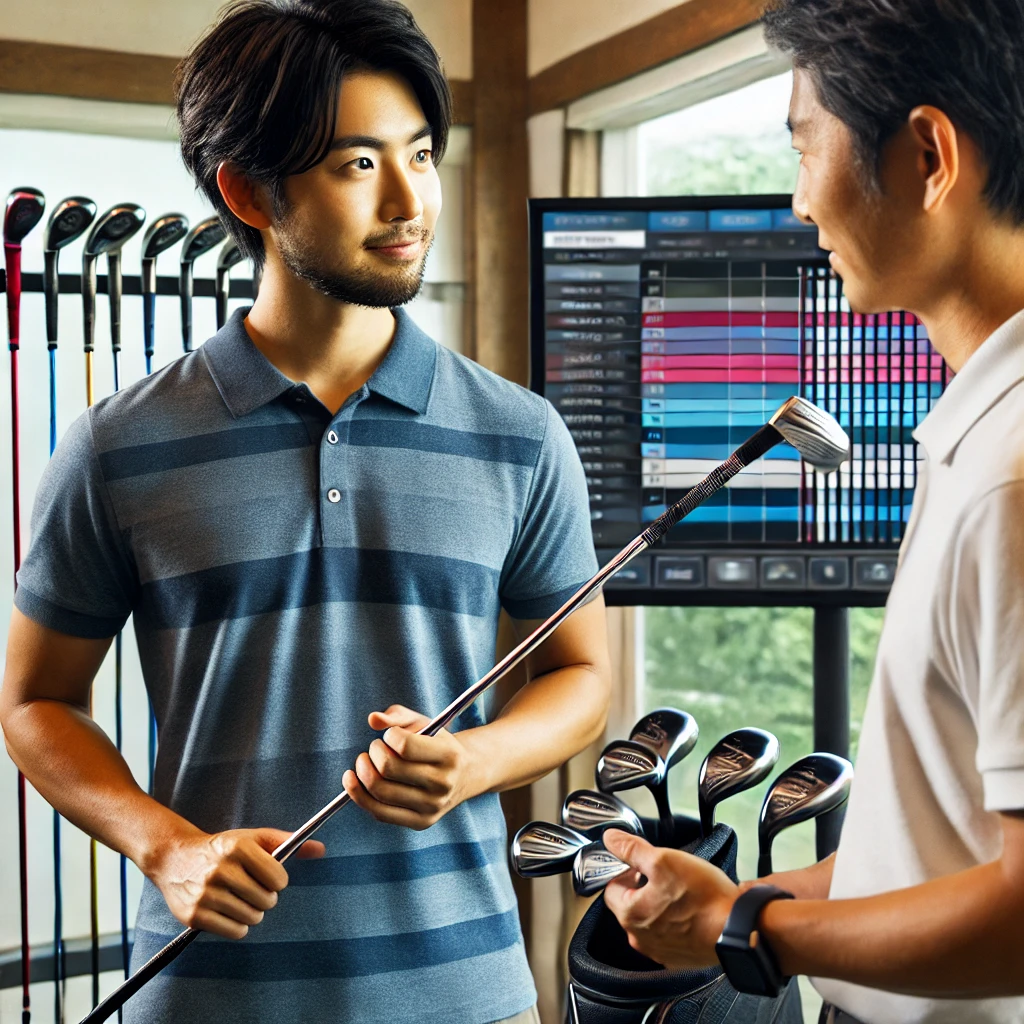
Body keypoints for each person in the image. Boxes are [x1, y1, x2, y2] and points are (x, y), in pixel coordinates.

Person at [0, 2, 611, 1022]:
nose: (412, 200)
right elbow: (34, 703)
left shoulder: (523, 432)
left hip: (468, 990)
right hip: (203, 993)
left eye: (420, 153)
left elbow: (580, 675)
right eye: (358, 165)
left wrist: (470, 762)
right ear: (249, 190)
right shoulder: (115, 445)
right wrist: (166, 845)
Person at [600, 1, 1024, 1022]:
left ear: (926, 156)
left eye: (805, 145)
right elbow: (935, 847)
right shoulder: (977, 432)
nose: (798, 202)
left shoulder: (1011, 479)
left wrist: (751, 933)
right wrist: (738, 901)